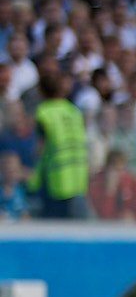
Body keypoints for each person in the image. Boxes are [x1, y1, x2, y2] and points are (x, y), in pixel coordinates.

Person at [32, 69, 89, 220]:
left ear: (41, 91)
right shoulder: (74, 111)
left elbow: (39, 147)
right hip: (77, 174)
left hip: (54, 177)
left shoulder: (44, 112)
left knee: (51, 225)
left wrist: (33, 174)